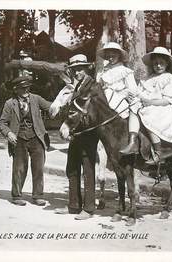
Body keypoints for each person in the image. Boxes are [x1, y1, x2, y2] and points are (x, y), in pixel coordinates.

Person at [49, 54, 99, 220]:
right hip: (75, 132)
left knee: (88, 169)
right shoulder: (74, 87)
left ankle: (89, 208)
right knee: (72, 168)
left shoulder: (93, 86)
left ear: (86, 68)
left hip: (88, 132)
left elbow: (93, 111)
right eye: (74, 70)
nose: (77, 72)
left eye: (80, 69)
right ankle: (73, 205)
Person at [124, 46, 172, 164]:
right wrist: (132, 97)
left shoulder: (170, 79)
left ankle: (158, 152)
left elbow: (168, 100)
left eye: (161, 63)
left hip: (163, 107)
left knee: (149, 115)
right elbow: (139, 93)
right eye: (155, 64)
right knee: (132, 109)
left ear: (167, 64)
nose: (158, 66)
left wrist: (149, 102)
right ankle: (132, 141)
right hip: (146, 104)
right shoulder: (146, 79)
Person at [0, 76, 52, 206]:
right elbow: (2, 123)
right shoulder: (10, 103)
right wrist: (9, 133)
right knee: (19, 168)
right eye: (23, 88)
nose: (27, 90)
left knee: (38, 168)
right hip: (19, 138)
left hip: (37, 137)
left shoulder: (36, 99)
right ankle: (17, 196)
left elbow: (51, 107)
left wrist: (61, 104)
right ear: (16, 90)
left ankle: (38, 195)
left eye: (28, 87)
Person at [96, 42, 140, 155]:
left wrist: (124, 93)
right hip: (104, 99)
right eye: (108, 56)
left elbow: (133, 90)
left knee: (130, 112)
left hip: (120, 99)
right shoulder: (103, 72)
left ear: (119, 56)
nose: (110, 58)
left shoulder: (125, 71)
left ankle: (131, 142)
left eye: (113, 55)